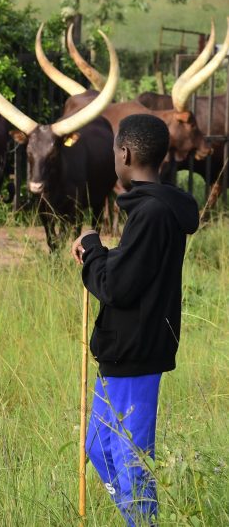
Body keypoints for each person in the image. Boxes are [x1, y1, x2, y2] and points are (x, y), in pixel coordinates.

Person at [71, 113, 199, 526]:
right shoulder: (150, 211)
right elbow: (134, 271)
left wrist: (93, 251)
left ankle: (143, 521)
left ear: (124, 154)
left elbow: (118, 288)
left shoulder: (153, 214)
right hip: (121, 352)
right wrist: (100, 251)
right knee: (99, 446)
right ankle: (136, 518)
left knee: (132, 459)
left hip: (136, 354)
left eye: (113, 151)